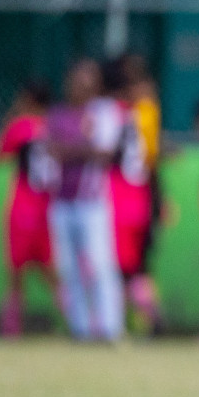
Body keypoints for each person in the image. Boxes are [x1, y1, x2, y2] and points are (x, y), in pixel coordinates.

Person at [45, 58, 126, 343]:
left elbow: (105, 153)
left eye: (88, 78)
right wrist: (82, 147)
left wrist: (69, 149)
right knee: (69, 268)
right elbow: (50, 152)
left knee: (101, 264)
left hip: (92, 201)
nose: (83, 84)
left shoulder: (104, 112)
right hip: (61, 200)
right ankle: (80, 327)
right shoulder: (58, 114)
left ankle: (109, 327)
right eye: (77, 78)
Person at [106, 55, 164, 335]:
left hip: (119, 198)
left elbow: (148, 159)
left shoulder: (110, 112)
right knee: (136, 266)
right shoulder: (146, 113)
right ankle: (145, 317)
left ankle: (126, 322)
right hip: (138, 198)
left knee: (121, 267)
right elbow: (151, 160)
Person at [0, 81, 58, 337]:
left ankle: (12, 326)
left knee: (16, 271)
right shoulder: (57, 125)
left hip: (23, 206)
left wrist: (12, 115)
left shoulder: (21, 126)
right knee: (51, 270)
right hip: (51, 208)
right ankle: (75, 318)